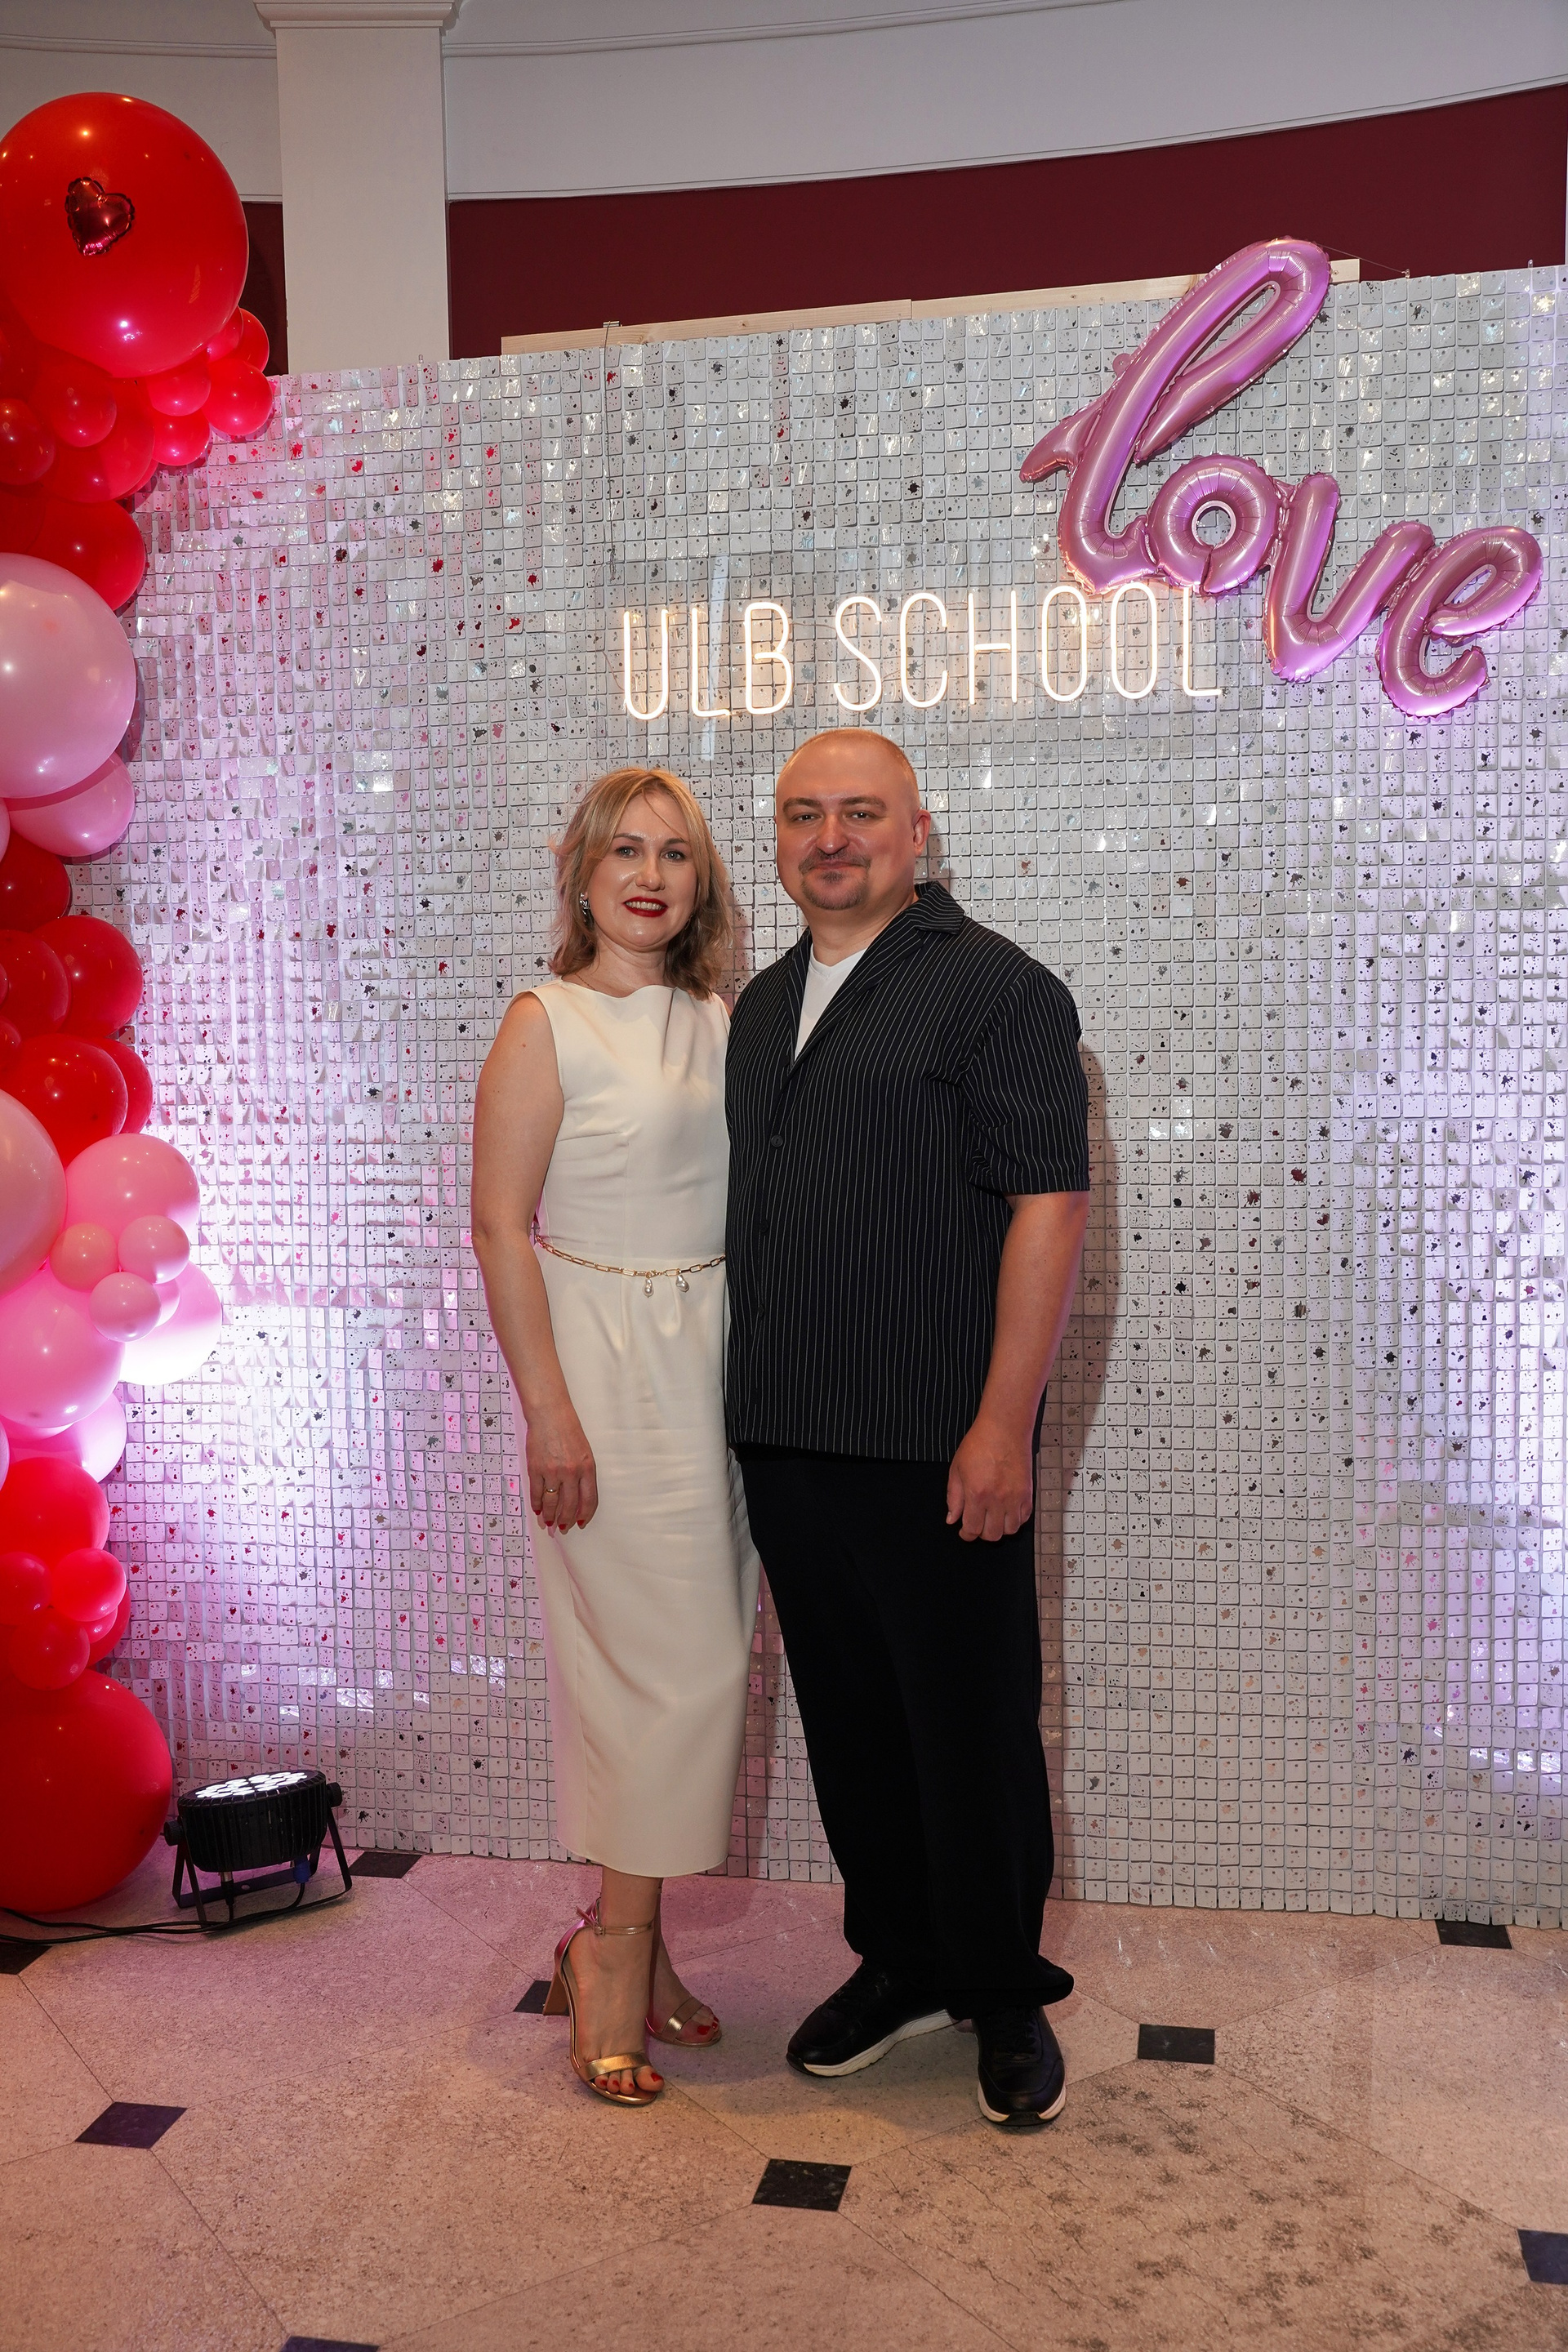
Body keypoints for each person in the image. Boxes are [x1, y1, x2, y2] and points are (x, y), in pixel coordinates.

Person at [725, 727, 1089, 2127]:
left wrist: (1003, 1426)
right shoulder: (764, 1004)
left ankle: (999, 1987)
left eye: (862, 813)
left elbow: (1048, 1209)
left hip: (939, 1440)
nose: (832, 838)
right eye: (803, 814)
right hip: (788, 1435)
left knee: (970, 1727)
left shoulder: (997, 987)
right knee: (852, 1724)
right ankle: (901, 1958)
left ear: (918, 832)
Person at [472, 765, 758, 2109]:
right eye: (625, 851)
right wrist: (548, 1411)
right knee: (654, 1672)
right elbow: (499, 1228)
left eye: (676, 855)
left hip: (713, 1364)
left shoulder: (719, 1019)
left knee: (704, 1667)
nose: (650, 876)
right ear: (582, 874)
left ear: (702, 883)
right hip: (601, 1366)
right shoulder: (546, 1022)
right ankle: (614, 1957)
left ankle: (629, 1939)